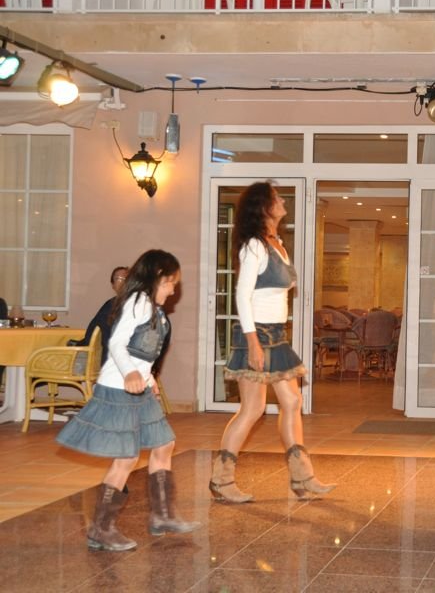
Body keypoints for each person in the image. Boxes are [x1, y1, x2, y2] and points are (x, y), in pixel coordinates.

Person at [56, 250, 199, 551]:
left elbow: (142, 350)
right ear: (157, 277)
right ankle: (101, 528)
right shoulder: (138, 302)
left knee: (164, 444)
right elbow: (118, 343)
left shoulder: (152, 307)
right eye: (171, 283)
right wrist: (131, 373)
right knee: (126, 458)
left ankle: (162, 515)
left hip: (139, 387)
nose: (174, 290)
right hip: (119, 387)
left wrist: (148, 378)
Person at [211, 181, 334, 502]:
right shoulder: (254, 245)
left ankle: (302, 477)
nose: (283, 202)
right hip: (257, 335)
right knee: (252, 409)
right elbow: (242, 295)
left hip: (276, 336)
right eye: (277, 198)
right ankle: (221, 481)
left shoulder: (276, 243)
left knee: (292, 402)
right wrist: (252, 343)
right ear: (264, 207)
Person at [68, 266, 129, 365]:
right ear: (112, 285)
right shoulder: (111, 304)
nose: (123, 281)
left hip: (113, 360)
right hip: (107, 357)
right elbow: (93, 331)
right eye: (118, 278)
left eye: (126, 278)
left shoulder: (136, 305)